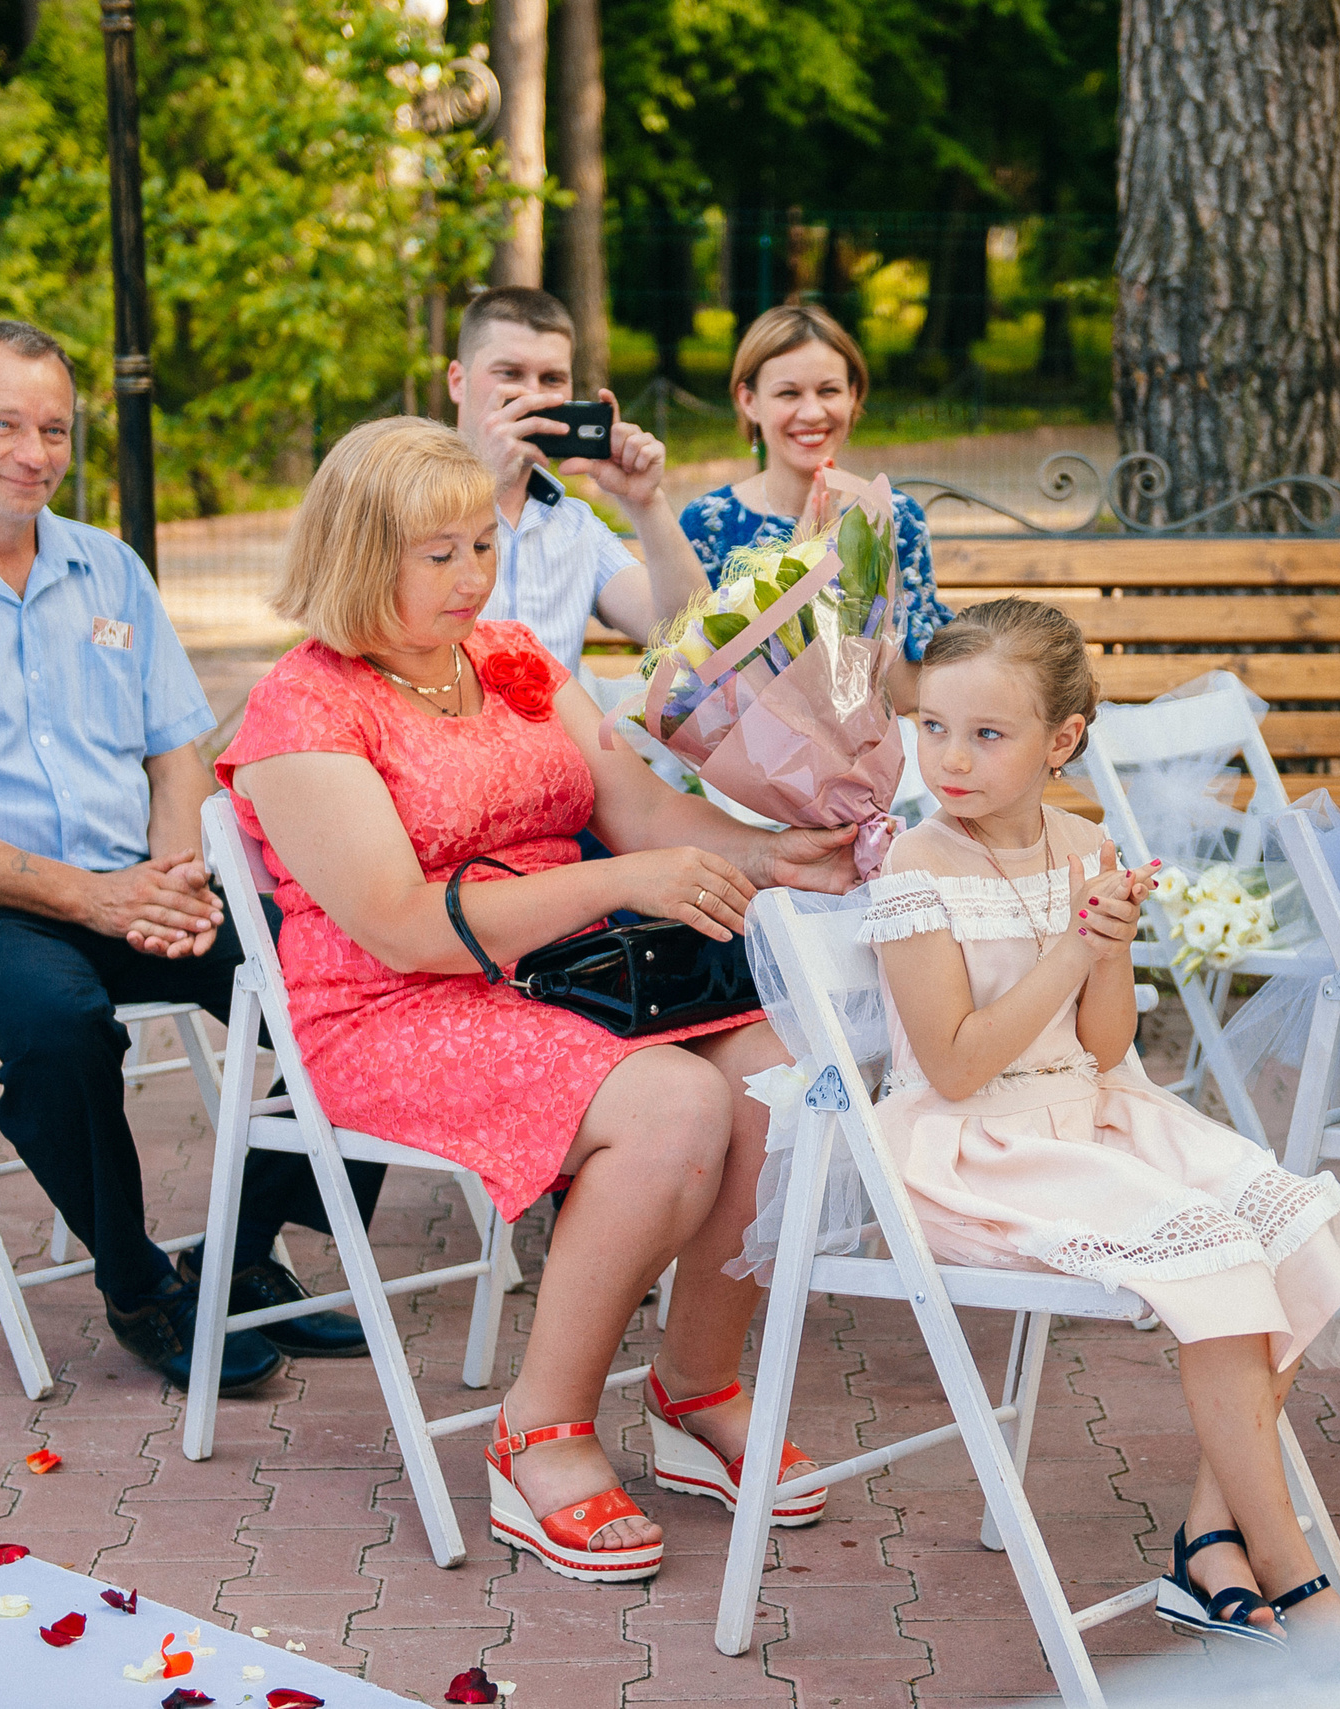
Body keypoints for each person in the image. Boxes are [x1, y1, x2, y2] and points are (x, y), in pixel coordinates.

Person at [218, 416, 863, 1585]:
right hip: (394, 1005)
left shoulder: (508, 655)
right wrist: (618, 882)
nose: (476, 575)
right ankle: (540, 1428)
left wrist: (780, 854)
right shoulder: (305, 709)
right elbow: (402, 923)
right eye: (440, 554)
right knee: (672, 1106)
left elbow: (642, 811)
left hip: (573, 972)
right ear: (361, 555)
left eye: (482, 544)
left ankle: (695, 1387)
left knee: (779, 1077)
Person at [0, 318, 372, 1398]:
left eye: (52, 427)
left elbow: (175, 753)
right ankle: (139, 1281)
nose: (34, 450)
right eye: (2, 422)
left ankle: (238, 1253)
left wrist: (171, 879)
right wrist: (94, 900)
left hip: (139, 883)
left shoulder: (109, 568)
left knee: (358, 966)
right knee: (62, 1026)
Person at [861, 599, 1340, 1648]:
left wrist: (1105, 944)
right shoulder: (917, 863)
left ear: (1061, 740)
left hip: (1095, 1110)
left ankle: (1206, 1536)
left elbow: (1103, 1046)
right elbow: (957, 1066)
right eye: (932, 727)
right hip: (981, 1146)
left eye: (987, 733)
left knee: (1297, 1220)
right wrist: (1067, 947)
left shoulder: (1086, 842)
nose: (950, 758)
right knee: (1221, 1259)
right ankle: (1284, 1562)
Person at [680, 305, 951, 695]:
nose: (812, 412)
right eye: (788, 393)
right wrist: (803, 565)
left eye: (829, 390)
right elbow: (704, 689)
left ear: (853, 395)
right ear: (749, 401)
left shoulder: (893, 516)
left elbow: (911, 691)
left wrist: (854, 571)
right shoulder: (709, 522)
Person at [447, 286, 711, 671]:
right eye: (510, 374)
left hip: (560, 730)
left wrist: (645, 503)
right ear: (458, 381)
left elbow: (687, 634)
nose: (533, 395)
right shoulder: (401, 496)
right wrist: (484, 484)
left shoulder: (576, 527)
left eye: (552, 379)